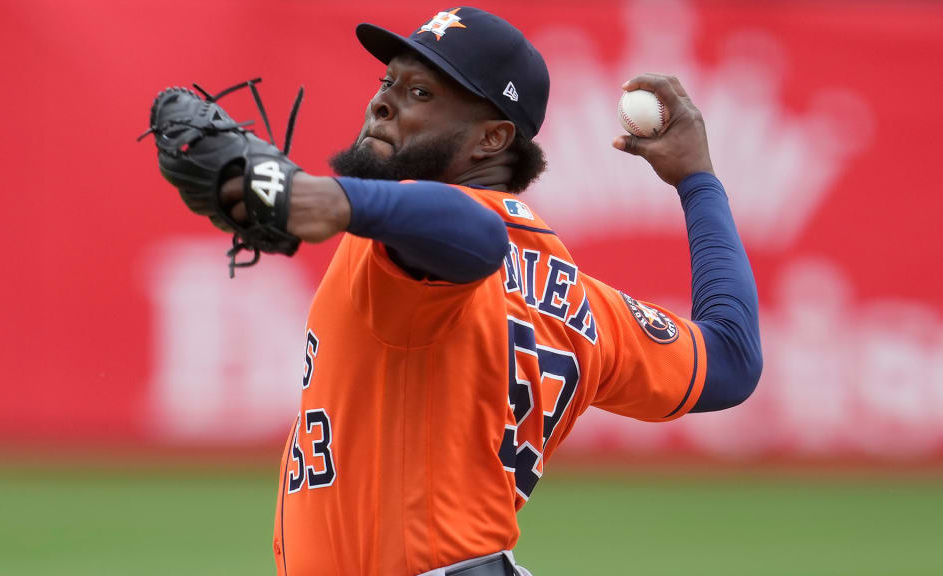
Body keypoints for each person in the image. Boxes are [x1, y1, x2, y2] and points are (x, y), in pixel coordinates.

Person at [217, 7, 762, 576]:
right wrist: (699, 183)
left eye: (420, 92)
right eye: (388, 82)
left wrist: (334, 200)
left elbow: (473, 236)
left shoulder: (412, 249)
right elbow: (729, 358)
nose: (383, 103)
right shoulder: (578, 300)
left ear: (493, 139)